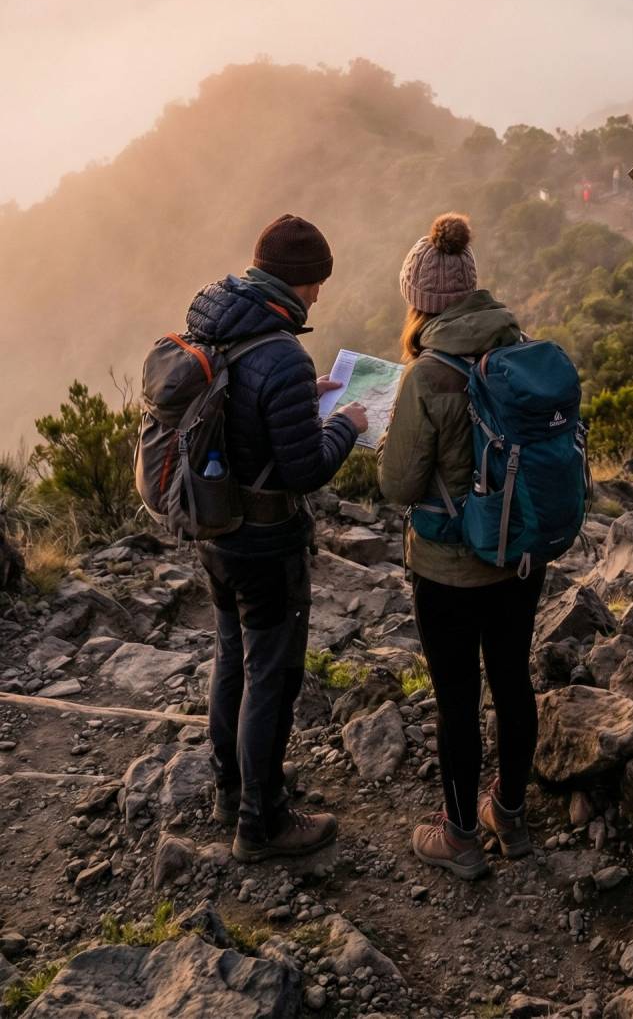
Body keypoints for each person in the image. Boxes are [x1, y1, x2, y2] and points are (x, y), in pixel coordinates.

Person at [187, 214, 368, 862]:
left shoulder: (217, 323)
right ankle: (261, 826)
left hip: (216, 530)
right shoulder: (283, 352)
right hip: (266, 543)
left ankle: (230, 791)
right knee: (272, 676)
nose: (318, 295)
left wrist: (303, 399)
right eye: (316, 283)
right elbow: (307, 468)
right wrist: (346, 422)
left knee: (232, 656)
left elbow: (244, 415)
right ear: (298, 282)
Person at [378, 213, 545, 882]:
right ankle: (510, 814)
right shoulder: (519, 350)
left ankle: (460, 838)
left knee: (456, 699)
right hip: (520, 560)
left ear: (418, 302)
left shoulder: (427, 376)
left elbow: (400, 484)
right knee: (512, 683)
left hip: (448, 569)